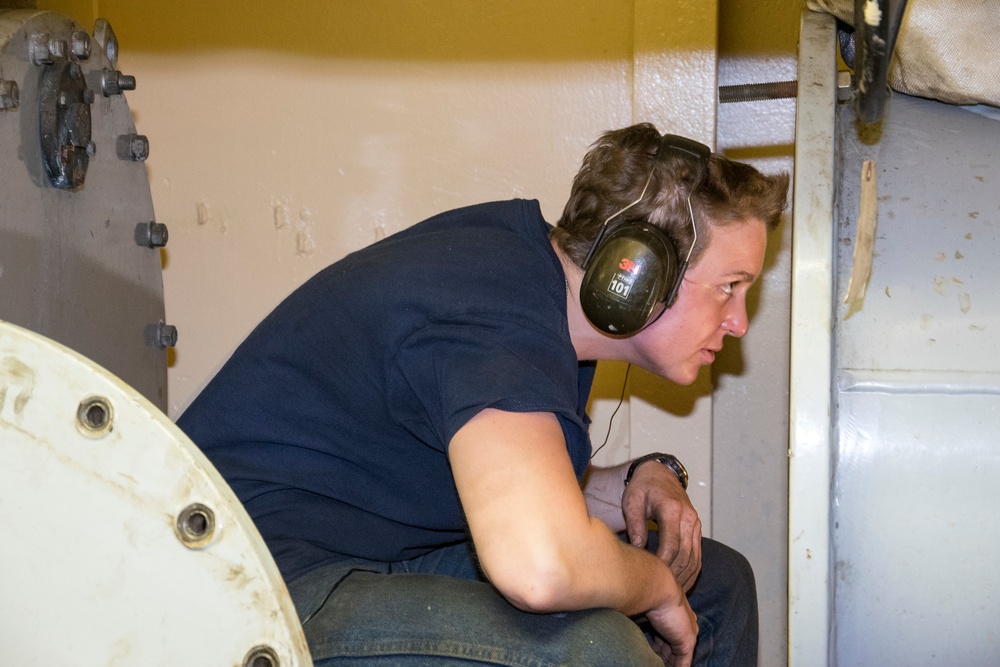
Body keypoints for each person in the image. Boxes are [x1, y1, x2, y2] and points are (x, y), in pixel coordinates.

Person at [177, 122, 789, 666]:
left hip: (359, 559)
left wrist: (636, 478)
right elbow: (540, 566)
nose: (738, 322)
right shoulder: (497, 314)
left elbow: (515, 491)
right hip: (249, 584)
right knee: (596, 650)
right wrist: (654, 585)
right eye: (729, 287)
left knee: (717, 584)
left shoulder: (525, 292)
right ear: (637, 271)